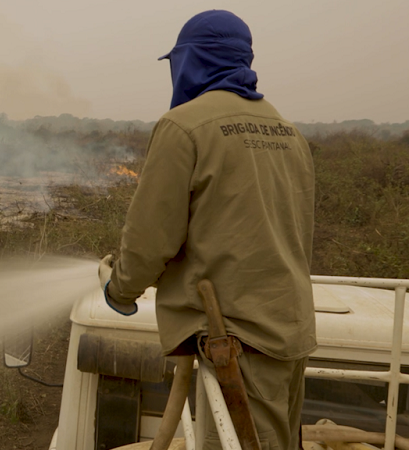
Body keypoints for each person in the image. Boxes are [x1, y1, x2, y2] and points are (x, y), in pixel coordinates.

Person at [96, 10, 316, 450]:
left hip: (238, 342)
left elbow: (150, 238)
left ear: (192, 60)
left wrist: (119, 290)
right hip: (291, 332)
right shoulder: (288, 132)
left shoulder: (183, 127)